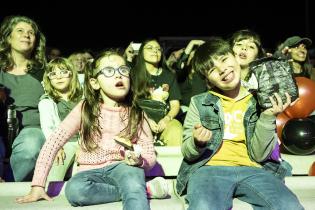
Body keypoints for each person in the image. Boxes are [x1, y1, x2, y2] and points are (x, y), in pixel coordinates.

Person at [16, 49, 168, 208]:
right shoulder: (85, 108)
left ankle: (134, 190)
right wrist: (37, 185)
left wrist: (139, 160)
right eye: (109, 71)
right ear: (95, 83)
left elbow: (149, 154)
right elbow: (53, 142)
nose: (118, 75)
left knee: (132, 179)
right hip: (90, 173)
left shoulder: (137, 113)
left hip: (124, 167)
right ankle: (143, 190)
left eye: (123, 70)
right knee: (74, 190)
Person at [176, 37, 304, 210]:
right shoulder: (199, 102)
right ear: (207, 79)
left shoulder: (260, 100)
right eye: (213, 70)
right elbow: (188, 152)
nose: (222, 69)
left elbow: (260, 155)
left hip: (254, 169)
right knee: (204, 206)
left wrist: (267, 116)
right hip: (209, 170)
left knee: (289, 206)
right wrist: (197, 142)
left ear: (235, 57)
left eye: (224, 59)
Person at [0, 15, 47, 181]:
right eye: (20, 31)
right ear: (8, 37)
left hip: (32, 129)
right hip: (2, 129)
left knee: (30, 146)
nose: (26, 35)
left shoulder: (44, 72)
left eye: (31, 32)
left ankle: (10, 186)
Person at [39, 57, 83, 183]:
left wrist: (84, 145)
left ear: (72, 74)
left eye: (63, 72)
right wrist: (56, 146)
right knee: (53, 177)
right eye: (53, 74)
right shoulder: (47, 101)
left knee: (79, 174)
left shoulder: (83, 98)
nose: (58, 77)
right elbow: (48, 127)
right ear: (48, 78)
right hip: (63, 144)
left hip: (84, 142)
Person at [132, 39, 183, 146]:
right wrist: (145, 120)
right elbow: (129, 104)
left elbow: (175, 105)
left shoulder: (169, 75)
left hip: (163, 119)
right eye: (150, 48)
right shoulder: (132, 74)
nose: (155, 51)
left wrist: (166, 119)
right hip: (138, 118)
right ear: (141, 53)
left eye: (158, 49)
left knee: (176, 128)